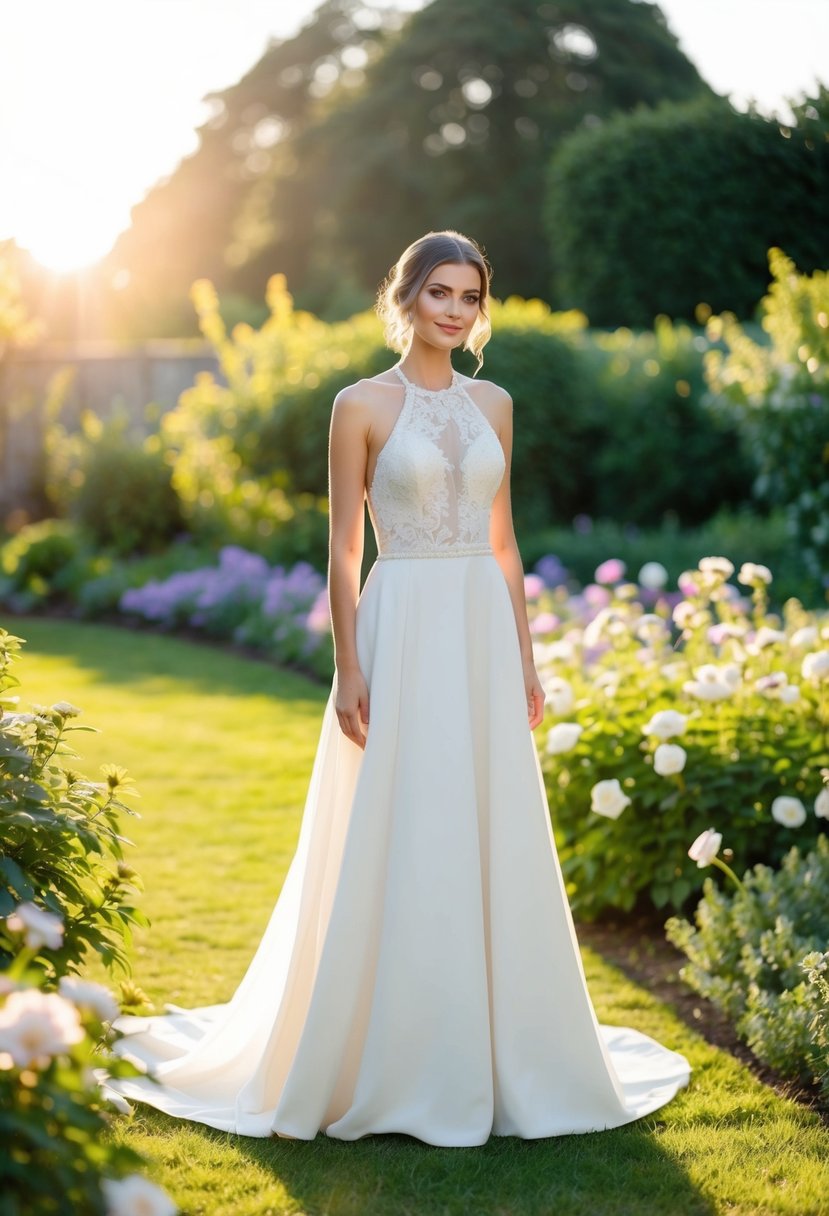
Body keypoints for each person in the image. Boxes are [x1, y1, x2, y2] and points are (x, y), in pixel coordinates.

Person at [108, 230, 690, 1145]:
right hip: (403, 623)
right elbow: (343, 551)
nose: (454, 312)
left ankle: (493, 1043)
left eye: (469, 297)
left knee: (483, 822)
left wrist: (528, 658)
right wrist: (348, 665)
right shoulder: (359, 405)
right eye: (439, 294)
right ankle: (387, 1049)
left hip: (479, 634)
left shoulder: (494, 403)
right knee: (402, 820)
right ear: (406, 297)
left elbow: (503, 546)